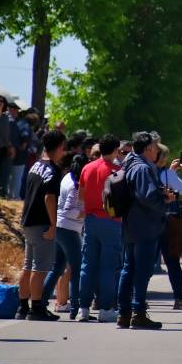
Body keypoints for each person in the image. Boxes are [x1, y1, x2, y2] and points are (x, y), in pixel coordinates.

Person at [114, 132, 171, 329]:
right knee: (141, 271)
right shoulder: (142, 168)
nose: (157, 151)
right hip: (145, 226)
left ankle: (124, 313)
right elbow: (147, 196)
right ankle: (138, 313)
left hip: (131, 225)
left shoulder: (129, 164)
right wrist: (164, 200)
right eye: (155, 147)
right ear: (147, 149)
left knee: (128, 269)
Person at [16, 129, 66, 321]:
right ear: (60, 147)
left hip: (28, 220)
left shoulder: (35, 166)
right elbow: (49, 198)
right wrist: (53, 224)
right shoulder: (52, 170)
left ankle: (22, 307)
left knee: (27, 265)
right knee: (40, 267)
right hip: (42, 222)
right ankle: (36, 308)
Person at [78, 135, 123, 321]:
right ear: (114, 150)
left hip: (90, 219)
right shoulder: (118, 171)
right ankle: (105, 308)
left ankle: (83, 308)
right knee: (108, 267)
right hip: (111, 221)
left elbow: (81, 195)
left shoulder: (87, 167)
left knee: (88, 265)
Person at [41, 152, 87, 320]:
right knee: (76, 269)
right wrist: (85, 212)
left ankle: (40, 303)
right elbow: (70, 210)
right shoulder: (76, 184)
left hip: (60, 227)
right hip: (69, 229)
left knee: (58, 267)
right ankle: (76, 308)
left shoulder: (67, 176)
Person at [156, 144, 182, 310]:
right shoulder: (167, 174)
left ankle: (137, 298)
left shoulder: (143, 171)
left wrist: (170, 172)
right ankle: (178, 298)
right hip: (166, 221)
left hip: (145, 221)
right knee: (172, 261)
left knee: (140, 262)